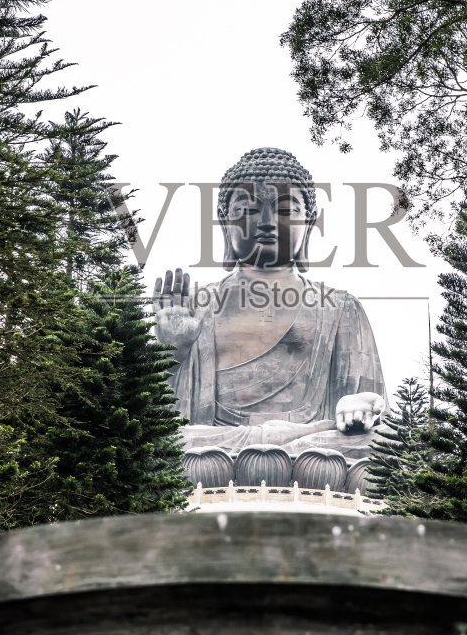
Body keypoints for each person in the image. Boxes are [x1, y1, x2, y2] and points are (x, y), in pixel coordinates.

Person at [152, 147, 385, 462]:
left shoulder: (340, 307)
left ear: (309, 223)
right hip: (214, 445)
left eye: (285, 210)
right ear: (224, 222)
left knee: (381, 443)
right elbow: (160, 416)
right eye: (247, 209)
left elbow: (370, 410)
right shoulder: (195, 307)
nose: (266, 222)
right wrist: (173, 352)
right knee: (159, 441)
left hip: (313, 445)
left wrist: (357, 406)